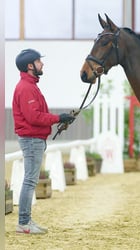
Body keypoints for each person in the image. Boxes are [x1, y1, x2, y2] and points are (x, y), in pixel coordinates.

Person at [12, 49, 75, 234]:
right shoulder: (26, 88)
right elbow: (34, 117)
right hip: (32, 140)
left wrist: (60, 119)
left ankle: (26, 221)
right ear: (30, 66)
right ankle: (23, 223)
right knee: (30, 180)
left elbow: (37, 116)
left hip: (35, 139)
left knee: (30, 180)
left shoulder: (30, 85)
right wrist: (57, 118)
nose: (42, 64)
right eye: (39, 61)